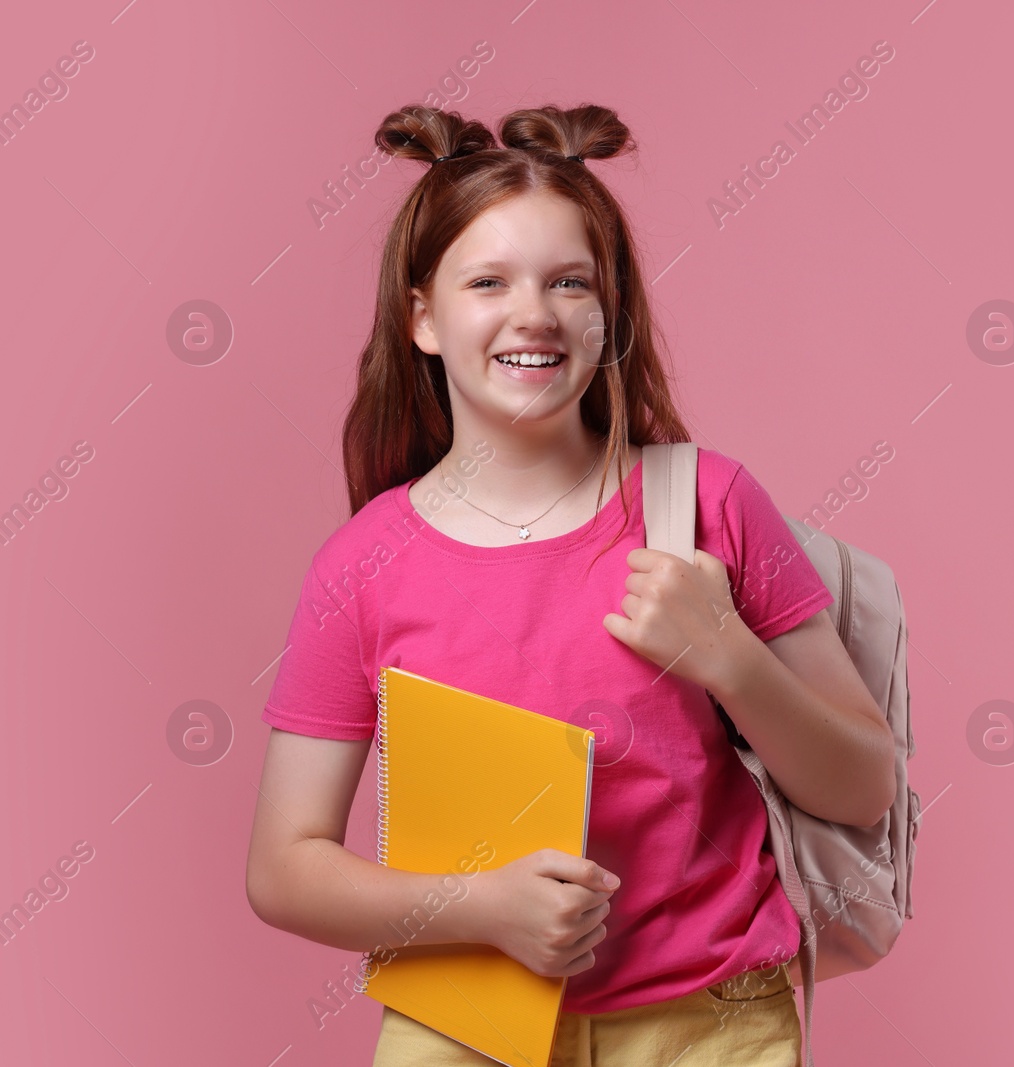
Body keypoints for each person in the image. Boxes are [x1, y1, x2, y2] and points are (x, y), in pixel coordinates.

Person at [243, 103, 896, 1067]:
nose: (534, 313)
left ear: (611, 313)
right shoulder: (362, 563)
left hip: (712, 1028)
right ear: (423, 318)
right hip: (462, 1025)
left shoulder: (709, 501)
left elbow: (863, 782)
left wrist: (729, 656)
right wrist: (483, 907)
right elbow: (283, 867)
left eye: (569, 282)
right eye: (488, 281)